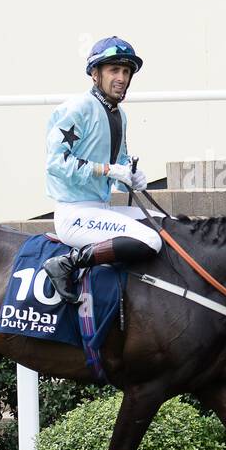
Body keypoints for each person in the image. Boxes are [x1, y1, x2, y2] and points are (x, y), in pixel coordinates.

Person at [41, 36, 160, 304]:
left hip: (101, 208)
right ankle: (65, 264)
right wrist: (107, 170)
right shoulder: (78, 108)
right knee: (151, 240)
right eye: (114, 70)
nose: (122, 78)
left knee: (165, 226)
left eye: (126, 72)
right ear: (95, 74)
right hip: (75, 214)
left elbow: (121, 163)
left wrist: (131, 175)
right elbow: (56, 164)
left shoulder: (120, 114)